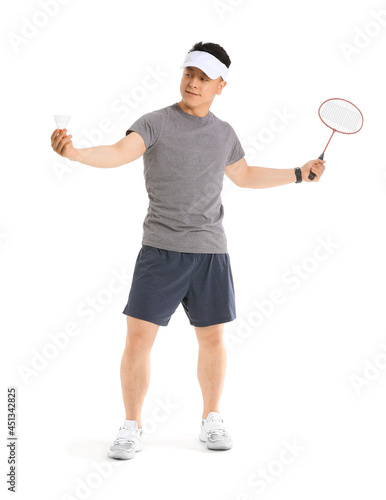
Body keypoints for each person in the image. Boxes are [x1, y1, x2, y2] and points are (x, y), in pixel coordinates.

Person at [51, 41, 326, 460]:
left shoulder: (224, 134)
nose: (192, 83)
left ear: (221, 86)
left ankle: (211, 418)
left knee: (212, 340)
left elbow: (246, 176)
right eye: (188, 74)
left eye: (203, 78)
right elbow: (118, 153)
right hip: (160, 251)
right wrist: (74, 152)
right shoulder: (155, 122)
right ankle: (131, 425)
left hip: (210, 253)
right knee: (138, 340)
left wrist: (298, 174)